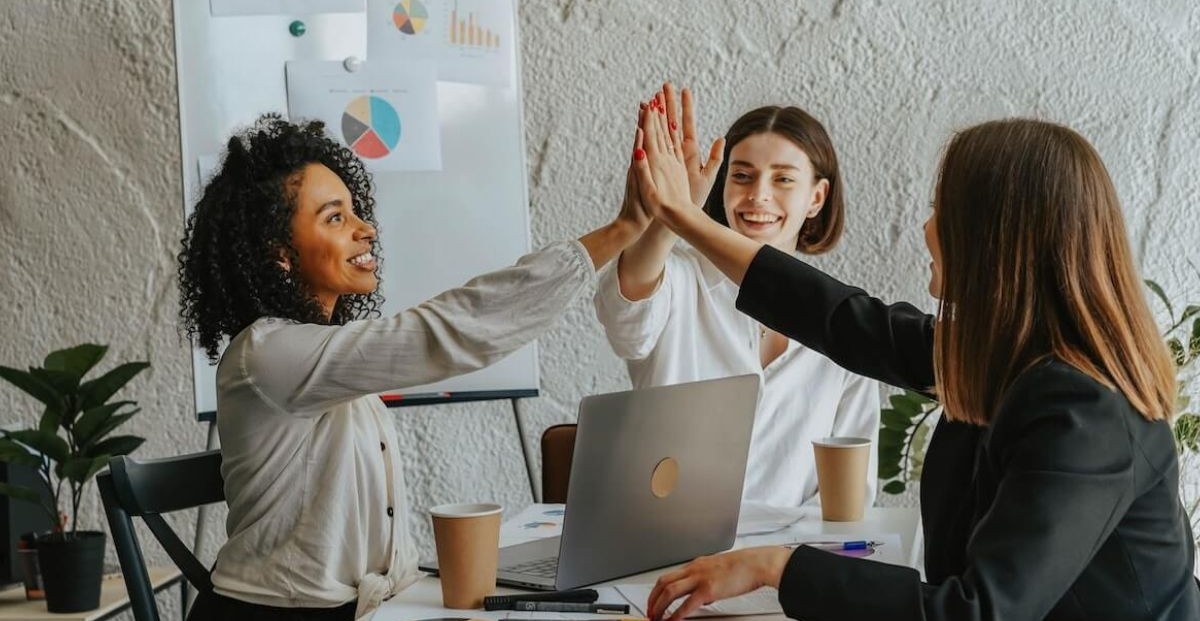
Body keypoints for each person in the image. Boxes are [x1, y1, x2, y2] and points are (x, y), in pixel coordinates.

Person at [631, 97, 1200, 619]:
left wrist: (777, 567)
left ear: (995, 241)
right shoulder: (1003, 357)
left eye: (941, 210)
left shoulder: (1085, 410)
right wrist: (685, 218)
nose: (926, 228)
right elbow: (841, 319)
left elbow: (977, 612)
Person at [176, 114, 651, 620]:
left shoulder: (325, 358)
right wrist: (622, 229)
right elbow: (444, 332)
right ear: (280, 255)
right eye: (335, 218)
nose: (366, 230)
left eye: (355, 211)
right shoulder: (268, 354)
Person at [594, 85, 878, 507]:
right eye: (742, 175)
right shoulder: (679, 279)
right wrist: (674, 212)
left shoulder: (843, 319)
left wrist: (790, 548)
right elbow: (625, 316)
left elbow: (851, 491)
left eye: (783, 179)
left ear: (816, 197)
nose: (759, 195)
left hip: (793, 546)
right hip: (668, 539)